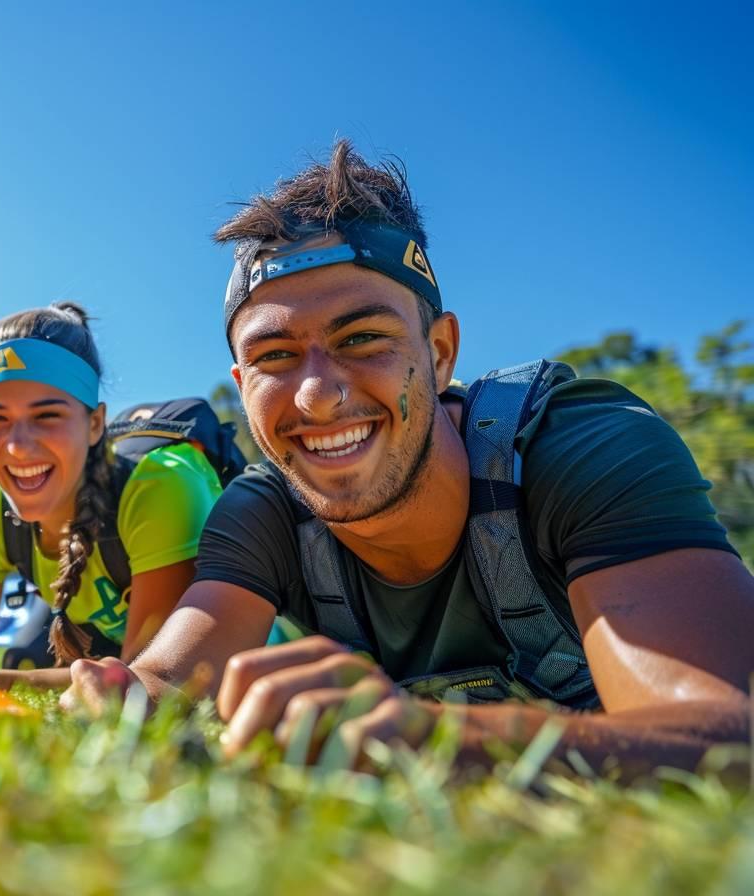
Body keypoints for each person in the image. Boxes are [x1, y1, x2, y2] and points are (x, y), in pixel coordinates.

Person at [63, 140, 754, 775]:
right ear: (243, 392)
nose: (316, 395)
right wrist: (123, 698)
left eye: (363, 338)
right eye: (274, 358)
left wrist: (437, 739)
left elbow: (729, 741)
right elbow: (168, 682)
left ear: (441, 353)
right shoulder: (263, 512)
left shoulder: (579, 450)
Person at [0, 302, 225, 686]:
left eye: (47, 416)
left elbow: (142, 685)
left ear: (95, 424)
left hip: (239, 664)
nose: (18, 446)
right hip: (113, 650)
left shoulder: (161, 488)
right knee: (22, 659)